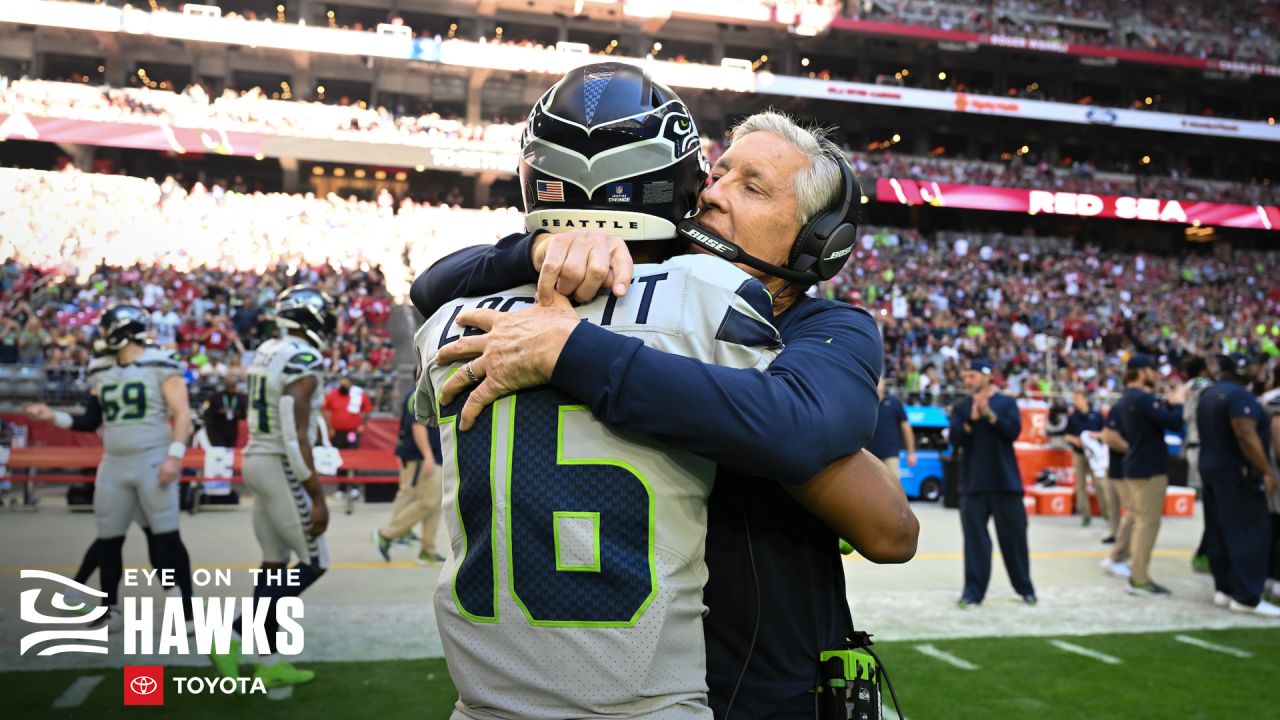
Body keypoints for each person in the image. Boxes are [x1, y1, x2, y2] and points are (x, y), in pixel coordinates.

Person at [412, 68, 908, 719]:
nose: (713, 192)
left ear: (817, 242)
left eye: (750, 186)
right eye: (719, 172)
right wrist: (538, 250)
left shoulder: (827, 327)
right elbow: (432, 286)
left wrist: (570, 353)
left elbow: (847, 481)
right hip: (641, 684)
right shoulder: (642, 289)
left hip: (767, 691)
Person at [21, 305, 195, 627]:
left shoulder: (160, 362)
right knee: (109, 538)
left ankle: (186, 613)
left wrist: (174, 454)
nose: (101, 335)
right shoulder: (100, 367)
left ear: (120, 330)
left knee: (167, 536)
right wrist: (52, 416)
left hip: (152, 457)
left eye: (106, 329)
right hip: (114, 462)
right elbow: (89, 421)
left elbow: (182, 412)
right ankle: (110, 610)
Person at [210, 286, 334, 687]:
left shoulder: (267, 349)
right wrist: (317, 494)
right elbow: (295, 432)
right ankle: (233, 634)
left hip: (255, 458)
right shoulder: (303, 357)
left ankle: (269, 660)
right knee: (316, 561)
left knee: (274, 564)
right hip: (279, 462)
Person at [1196, 354, 1279, 617]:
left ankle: (1226, 589)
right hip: (1238, 474)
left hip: (1211, 471)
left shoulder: (1208, 394)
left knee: (1220, 531)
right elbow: (1244, 433)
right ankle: (1247, 596)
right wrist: (1266, 471)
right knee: (1251, 532)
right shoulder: (1239, 397)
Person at [950, 359, 1036, 608]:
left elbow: (1013, 432)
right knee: (975, 543)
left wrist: (990, 415)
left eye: (972, 376)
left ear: (987, 377)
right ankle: (972, 593)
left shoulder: (1006, 403)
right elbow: (956, 438)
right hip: (973, 484)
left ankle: (1025, 589)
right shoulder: (962, 407)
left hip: (1005, 483)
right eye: (965, 377)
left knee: (1015, 540)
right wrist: (973, 419)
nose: (967, 381)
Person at [1110, 353, 1187, 597]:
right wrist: (1179, 402)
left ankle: (1136, 573)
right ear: (1142, 371)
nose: (1156, 375)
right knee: (1147, 523)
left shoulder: (1124, 400)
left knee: (1140, 520)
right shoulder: (1143, 399)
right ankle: (1140, 578)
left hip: (1134, 465)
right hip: (1148, 469)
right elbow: (1174, 423)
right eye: (1152, 370)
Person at [372, 389, 444, 564]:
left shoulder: (437, 391)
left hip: (434, 456)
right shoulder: (421, 393)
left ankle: (428, 550)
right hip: (420, 458)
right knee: (424, 501)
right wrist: (427, 456)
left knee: (434, 504)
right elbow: (417, 425)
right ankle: (388, 534)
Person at [1180, 355, 1215, 572]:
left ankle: (1206, 549)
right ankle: (1206, 551)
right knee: (1212, 504)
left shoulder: (1188, 386)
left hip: (1193, 445)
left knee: (1207, 503)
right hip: (1203, 445)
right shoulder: (1203, 385)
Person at [323, 374, 371, 507]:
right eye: (341, 383)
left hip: (352, 432)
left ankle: (354, 488)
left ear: (350, 385)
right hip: (337, 433)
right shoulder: (332, 395)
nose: (342, 386)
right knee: (339, 460)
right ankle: (341, 489)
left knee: (353, 459)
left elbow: (367, 410)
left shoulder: (358, 395)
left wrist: (362, 425)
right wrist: (329, 427)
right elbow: (325, 410)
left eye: (345, 383)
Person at [1063, 389, 1105, 527]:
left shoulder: (1097, 415)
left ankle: (1107, 513)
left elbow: (1104, 433)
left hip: (1094, 455)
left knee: (1100, 484)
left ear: (1086, 399)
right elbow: (1066, 435)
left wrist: (1094, 436)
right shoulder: (1073, 417)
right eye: (1074, 399)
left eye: (1078, 398)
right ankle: (1086, 515)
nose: (1076, 402)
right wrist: (1076, 440)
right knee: (1080, 485)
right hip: (1079, 454)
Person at [868, 376, 915, 480]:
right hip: (869, 456)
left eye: (879, 380)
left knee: (894, 491)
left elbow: (906, 428)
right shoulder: (866, 402)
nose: (877, 383)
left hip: (890, 455)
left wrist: (911, 452)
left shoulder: (894, 403)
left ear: (884, 383)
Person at [200, 368, 247, 449]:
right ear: (225, 385)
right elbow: (208, 413)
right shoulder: (216, 396)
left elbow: (244, 414)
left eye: (233, 385)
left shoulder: (240, 397)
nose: (232, 388)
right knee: (220, 449)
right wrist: (220, 411)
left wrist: (235, 412)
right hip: (218, 429)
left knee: (230, 450)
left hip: (232, 429)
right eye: (229, 385)